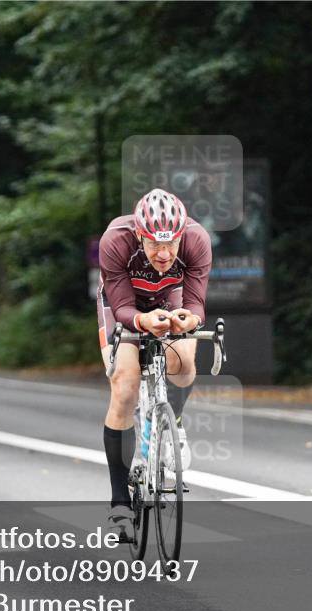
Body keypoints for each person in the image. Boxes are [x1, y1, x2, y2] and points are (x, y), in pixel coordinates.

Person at [97, 188, 212, 541]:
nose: (164, 254)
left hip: (169, 295)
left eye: (171, 244)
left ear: (182, 235)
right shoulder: (115, 241)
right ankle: (120, 502)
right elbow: (122, 309)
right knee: (125, 383)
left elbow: (195, 303)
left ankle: (173, 422)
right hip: (123, 303)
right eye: (154, 245)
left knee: (185, 360)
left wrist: (190, 320)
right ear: (138, 235)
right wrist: (143, 321)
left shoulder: (197, 240)